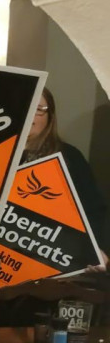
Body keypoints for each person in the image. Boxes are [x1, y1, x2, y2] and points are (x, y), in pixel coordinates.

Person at [24, 87, 108, 254]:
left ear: (50, 118)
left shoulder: (70, 156)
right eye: (25, 105)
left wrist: (95, 250)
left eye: (39, 109)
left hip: (54, 252)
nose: (30, 115)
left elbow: (93, 210)